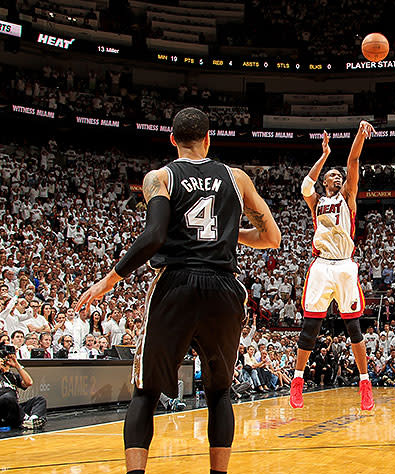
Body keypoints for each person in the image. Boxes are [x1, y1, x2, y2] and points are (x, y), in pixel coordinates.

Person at [75, 108, 281, 474]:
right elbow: (271, 238)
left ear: (172, 140)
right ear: (208, 139)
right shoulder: (237, 178)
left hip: (176, 284)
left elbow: (154, 236)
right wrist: (229, 236)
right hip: (223, 287)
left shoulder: (161, 177)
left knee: (145, 391)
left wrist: (109, 279)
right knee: (219, 392)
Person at [290, 122, 375, 411]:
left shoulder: (347, 197)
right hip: (321, 265)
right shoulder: (316, 201)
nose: (338, 177)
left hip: (344, 266)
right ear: (325, 181)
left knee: (353, 326)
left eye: (340, 176)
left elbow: (353, 160)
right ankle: (298, 380)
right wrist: (324, 154)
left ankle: (365, 383)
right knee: (310, 326)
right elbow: (305, 184)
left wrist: (359, 135)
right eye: (333, 175)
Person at [0, 349, 47, 430]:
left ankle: (32, 420)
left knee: (40, 400)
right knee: (7, 398)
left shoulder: (12, 376)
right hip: (3, 410)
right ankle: (25, 419)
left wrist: (17, 366)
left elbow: (29, 382)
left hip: (16, 409)